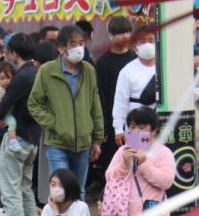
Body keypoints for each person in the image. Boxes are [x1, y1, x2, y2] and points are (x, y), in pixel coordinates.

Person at [27, 24, 104, 191]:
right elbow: (34, 103)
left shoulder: (89, 70)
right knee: (61, 189)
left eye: (81, 43)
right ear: (61, 48)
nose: (78, 48)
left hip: (83, 143)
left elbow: (95, 106)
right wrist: (53, 123)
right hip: (57, 142)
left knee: (78, 191)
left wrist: (97, 139)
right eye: (73, 44)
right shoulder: (47, 71)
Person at [0, 34, 42, 216]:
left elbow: (4, 106)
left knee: (11, 190)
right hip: (33, 137)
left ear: (13, 52)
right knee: (25, 188)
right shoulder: (37, 73)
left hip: (17, 137)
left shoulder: (21, 77)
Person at [94, 16, 136, 180]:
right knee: (114, 163)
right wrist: (104, 125)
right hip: (112, 123)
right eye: (120, 33)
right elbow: (101, 96)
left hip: (134, 121)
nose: (125, 36)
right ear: (111, 36)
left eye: (127, 32)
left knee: (136, 160)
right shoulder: (103, 62)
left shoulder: (135, 58)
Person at [112, 30, 159, 143]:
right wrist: (118, 129)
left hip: (162, 119)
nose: (147, 44)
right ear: (135, 45)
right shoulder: (127, 71)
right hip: (137, 123)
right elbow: (120, 101)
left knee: (161, 156)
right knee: (138, 157)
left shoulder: (164, 67)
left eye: (151, 40)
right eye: (142, 41)